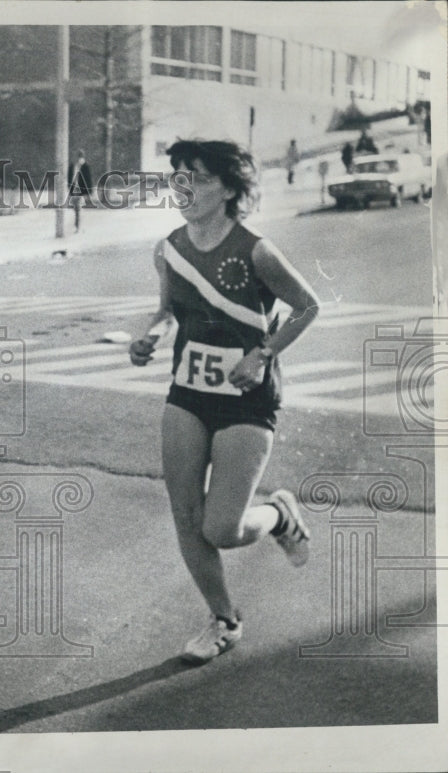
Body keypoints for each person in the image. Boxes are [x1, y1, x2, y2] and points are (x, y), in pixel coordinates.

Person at [129, 139, 319, 664]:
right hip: (187, 393)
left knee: (222, 528)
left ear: (230, 189)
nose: (183, 187)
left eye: (198, 177)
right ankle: (225, 619)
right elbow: (168, 311)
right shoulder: (168, 248)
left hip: (246, 399)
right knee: (186, 516)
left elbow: (307, 306)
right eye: (178, 176)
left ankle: (278, 517)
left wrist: (261, 354)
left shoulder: (256, 249)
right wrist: (149, 336)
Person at [67, 150, 93, 233]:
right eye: (78, 157)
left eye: (80, 157)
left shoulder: (85, 166)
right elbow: (69, 177)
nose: (78, 159)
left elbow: (88, 179)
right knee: (75, 208)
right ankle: (77, 224)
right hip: (74, 189)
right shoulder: (72, 166)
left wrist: (89, 191)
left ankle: (77, 226)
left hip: (81, 190)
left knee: (78, 208)